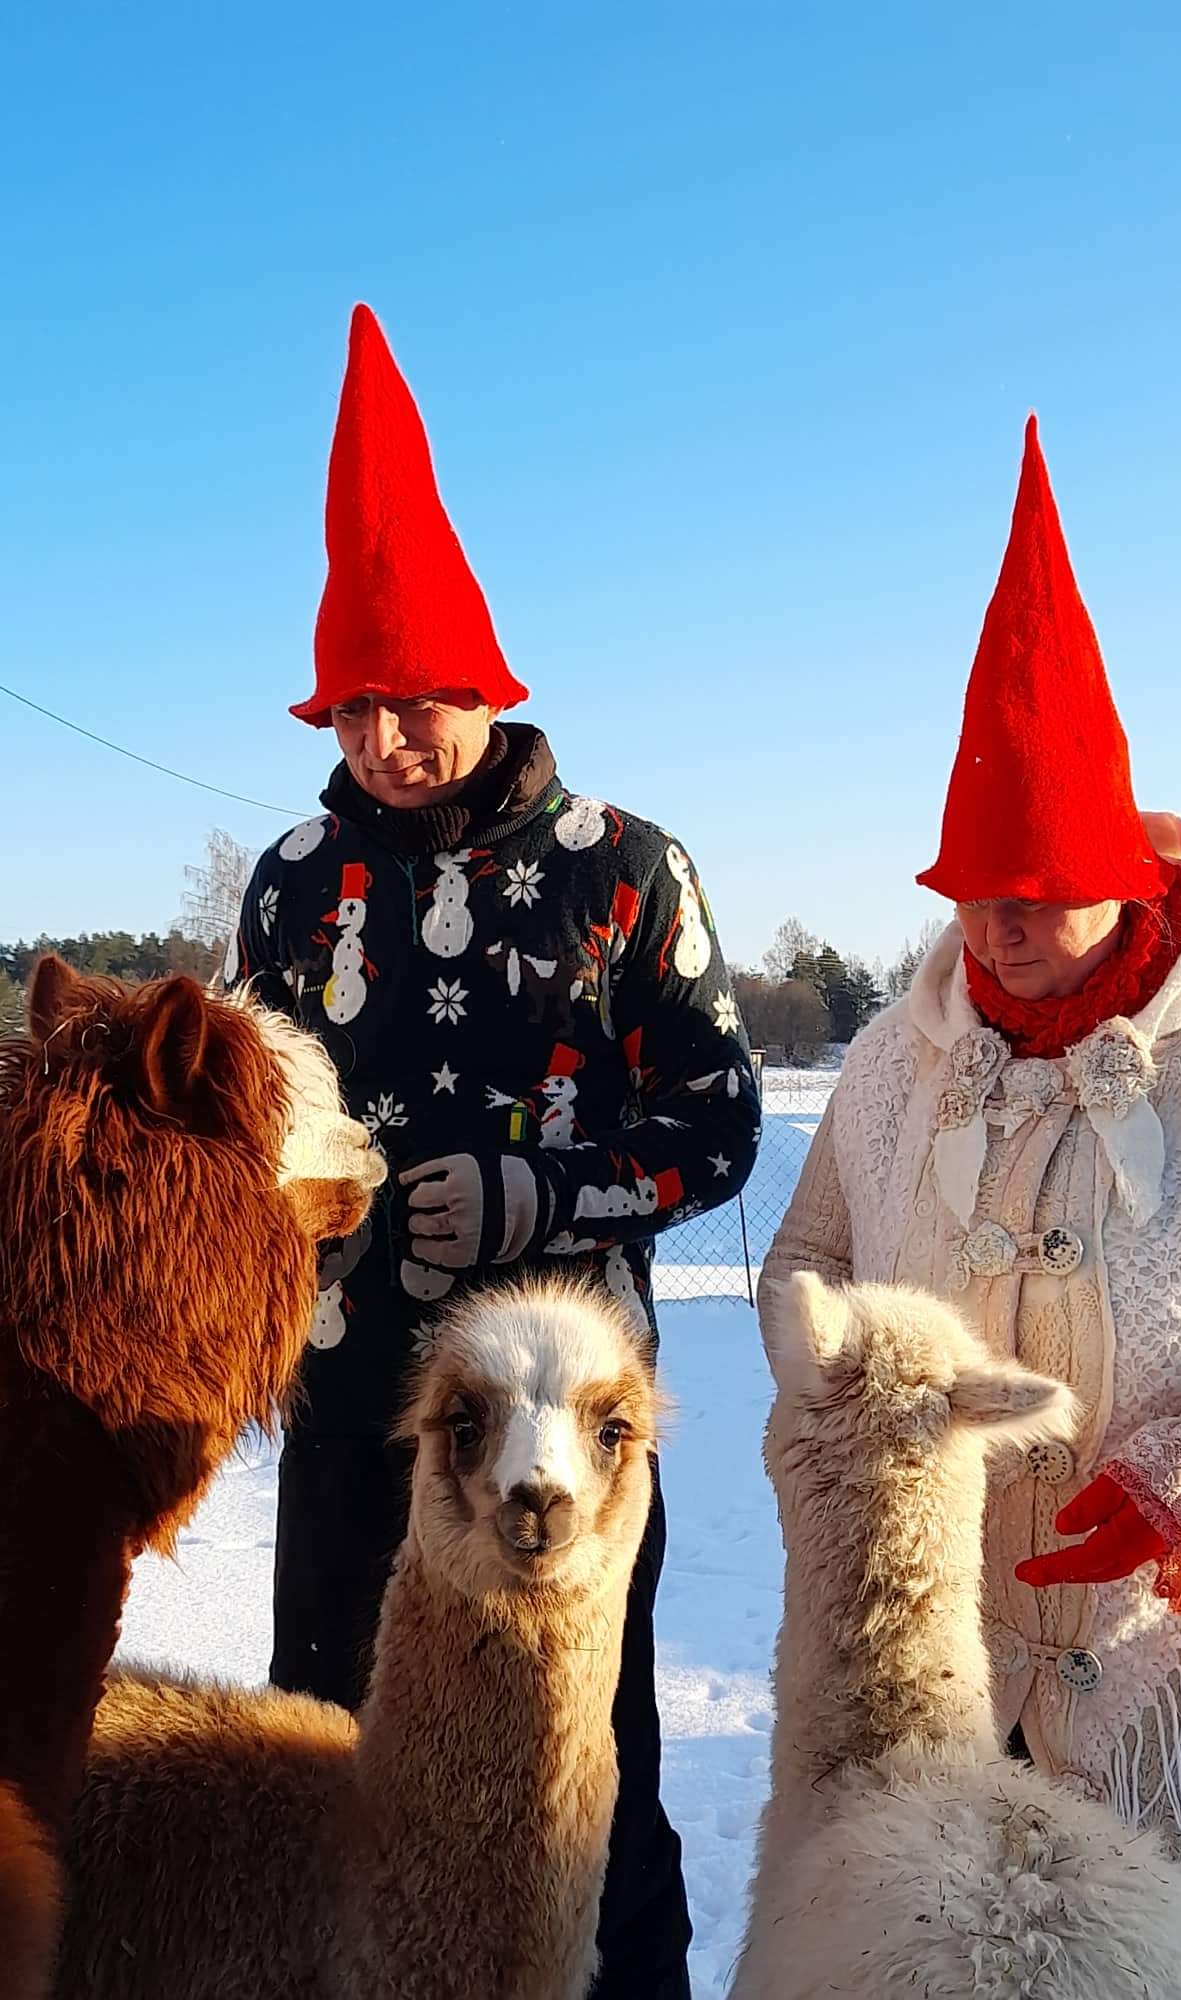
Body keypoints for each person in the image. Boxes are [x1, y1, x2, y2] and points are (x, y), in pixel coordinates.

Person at [762, 416, 1181, 1999]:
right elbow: (809, 1261)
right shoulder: (887, 1068)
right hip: (962, 1672)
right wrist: (836, 1416)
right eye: (970, 891)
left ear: (1126, 875)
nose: (998, 928)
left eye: (1041, 888)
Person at [228, 304, 760, 1998]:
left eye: (418, 700)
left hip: (562, 1431)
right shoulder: (292, 880)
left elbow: (723, 1121)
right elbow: (252, 1126)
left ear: (485, 681)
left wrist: (547, 1194)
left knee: (584, 1767)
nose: (388, 737)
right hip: (349, 1398)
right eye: (356, 706)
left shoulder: (624, 867)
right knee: (324, 1738)